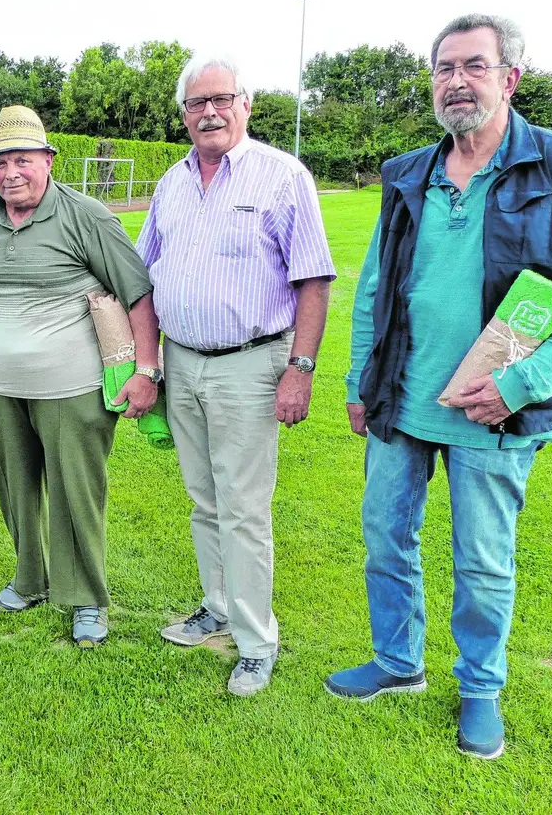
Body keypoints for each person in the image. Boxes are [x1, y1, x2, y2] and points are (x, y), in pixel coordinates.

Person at [328, 14, 552, 760]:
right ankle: (397, 664)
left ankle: (481, 688)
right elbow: (375, 290)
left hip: (495, 409)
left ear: (510, 79)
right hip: (402, 395)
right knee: (385, 535)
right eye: (444, 68)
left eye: (474, 66)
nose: (456, 81)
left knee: (485, 560)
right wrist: (362, 381)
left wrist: (521, 386)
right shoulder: (406, 174)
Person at [136, 54, 336, 696]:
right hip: (183, 362)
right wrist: (147, 361)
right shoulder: (171, 183)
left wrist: (299, 369)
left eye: (222, 99)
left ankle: (255, 642)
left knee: (244, 510)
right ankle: (216, 608)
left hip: (252, 364)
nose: (210, 112)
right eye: (196, 103)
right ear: (184, 114)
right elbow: (144, 272)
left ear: (246, 105)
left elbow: (313, 279)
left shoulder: (283, 176)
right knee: (204, 500)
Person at [0, 106, 157, 647]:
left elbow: (138, 292)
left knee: (76, 493)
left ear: (48, 160)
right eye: (0, 162)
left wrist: (146, 369)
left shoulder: (85, 215)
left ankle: (88, 599)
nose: (10, 173)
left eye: (22, 159)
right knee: (14, 486)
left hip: (73, 388)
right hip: (4, 387)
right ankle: (30, 581)